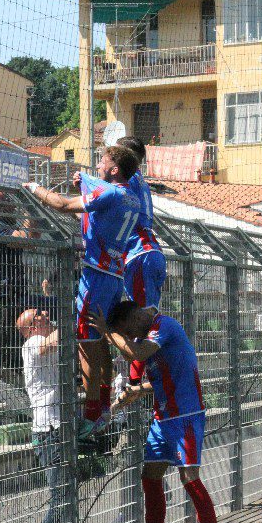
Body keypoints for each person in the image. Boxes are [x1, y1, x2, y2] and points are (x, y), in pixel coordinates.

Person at [92, 302, 229, 523]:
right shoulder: (145, 334)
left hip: (185, 416)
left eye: (127, 329)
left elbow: (139, 353)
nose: (130, 336)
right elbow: (161, 376)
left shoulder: (164, 326)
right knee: (150, 476)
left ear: (133, 318)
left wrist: (108, 332)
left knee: (188, 477)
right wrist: (133, 393)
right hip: (163, 418)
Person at [26, 146, 141, 439]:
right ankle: (101, 406)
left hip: (97, 279)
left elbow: (63, 205)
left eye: (103, 161)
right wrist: (85, 179)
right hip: (114, 276)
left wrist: (34, 188)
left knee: (86, 347)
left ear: (115, 170)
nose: (99, 164)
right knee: (98, 343)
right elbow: (99, 185)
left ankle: (92, 415)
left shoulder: (111, 194)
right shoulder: (131, 196)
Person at [114, 136, 168, 389]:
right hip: (148, 252)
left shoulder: (129, 180)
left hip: (140, 254)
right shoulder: (140, 182)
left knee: (143, 317)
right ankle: (141, 373)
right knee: (148, 312)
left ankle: (134, 378)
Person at [16, 308, 67, 523]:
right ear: (31, 327)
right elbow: (54, 341)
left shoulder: (46, 342)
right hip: (49, 430)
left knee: (64, 495)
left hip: (58, 426)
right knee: (60, 496)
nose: (46, 313)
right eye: (38, 314)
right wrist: (74, 316)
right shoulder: (33, 343)